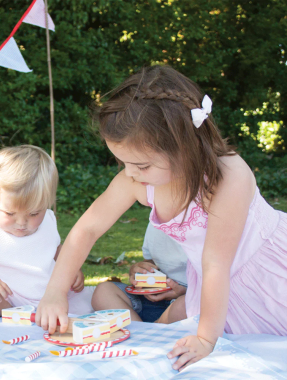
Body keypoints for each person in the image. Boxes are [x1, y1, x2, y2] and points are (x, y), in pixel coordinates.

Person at [35, 65, 287, 371]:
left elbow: (216, 263)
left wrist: (206, 339)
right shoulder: (137, 181)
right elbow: (86, 229)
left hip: (269, 273)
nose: (130, 173)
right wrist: (55, 291)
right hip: (218, 283)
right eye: (122, 162)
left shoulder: (229, 176)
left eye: (141, 165)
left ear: (183, 148)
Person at [0, 145, 94, 336]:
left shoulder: (48, 220)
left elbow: (55, 249)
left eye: (34, 213)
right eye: (10, 213)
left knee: (91, 304)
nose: (21, 223)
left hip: (46, 297)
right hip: (7, 304)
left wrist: (71, 269)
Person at [92, 222, 188, 324]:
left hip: (184, 304)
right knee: (104, 291)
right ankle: (140, 330)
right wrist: (138, 270)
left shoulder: (202, 226)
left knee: (184, 305)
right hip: (148, 300)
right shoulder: (155, 222)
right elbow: (151, 261)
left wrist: (185, 292)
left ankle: (148, 332)